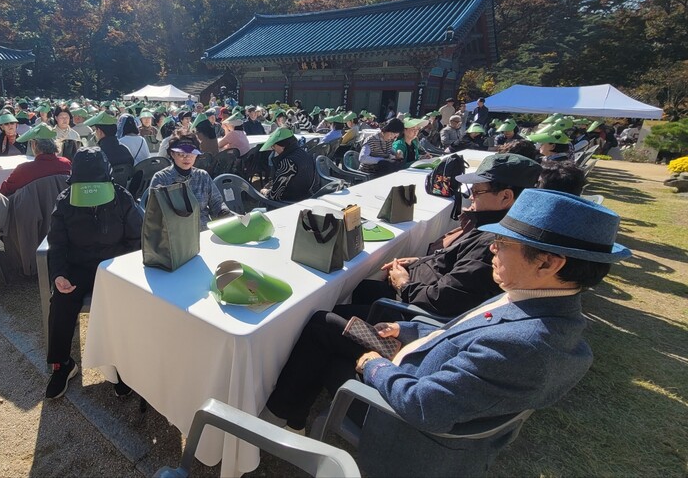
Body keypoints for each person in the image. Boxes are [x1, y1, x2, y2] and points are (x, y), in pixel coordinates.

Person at [261, 188, 629, 476]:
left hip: (401, 421)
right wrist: (405, 327)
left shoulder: (527, 344)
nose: (493, 251)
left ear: (549, 262)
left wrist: (373, 365)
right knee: (324, 323)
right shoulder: (539, 304)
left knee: (319, 338)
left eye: (502, 244)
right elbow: (457, 331)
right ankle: (289, 418)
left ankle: (277, 424)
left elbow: (424, 406)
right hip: (422, 365)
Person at [352, 153, 543, 318]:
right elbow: (460, 266)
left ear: (505, 197)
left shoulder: (494, 242)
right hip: (419, 287)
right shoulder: (493, 226)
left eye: (477, 191)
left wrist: (403, 285)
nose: (471, 197)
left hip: (413, 311)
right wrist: (421, 261)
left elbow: (446, 299)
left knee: (323, 319)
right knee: (361, 287)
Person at [45, 147, 142, 399]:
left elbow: (137, 238)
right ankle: (62, 364)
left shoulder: (121, 197)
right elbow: (57, 245)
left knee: (124, 305)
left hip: (115, 267)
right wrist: (59, 275)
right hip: (79, 266)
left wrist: (126, 270)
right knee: (61, 299)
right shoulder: (65, 201)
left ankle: (121, 365)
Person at [150, 133, 232, 230]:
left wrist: (225, 213)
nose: (187, 157)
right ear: (172, 154)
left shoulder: (202, 176)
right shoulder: (161, 178)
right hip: (175, 235)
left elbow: (217, 203)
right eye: (181, 154)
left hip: (204, 231)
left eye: (192, 153)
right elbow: (155, 213)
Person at [0, 124, 72, 196]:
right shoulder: (65, 164)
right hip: (59, 206)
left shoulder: (24, 170)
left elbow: (3, 191)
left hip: (31, 208)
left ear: (34, 144)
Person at [260, 127, 317, 202]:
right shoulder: (303, 153)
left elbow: (274, 195)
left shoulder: (288, 162)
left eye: (273, 146)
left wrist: (264, 191)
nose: (273, 149)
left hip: (290, 202)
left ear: (281, 145)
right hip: (306, 197)